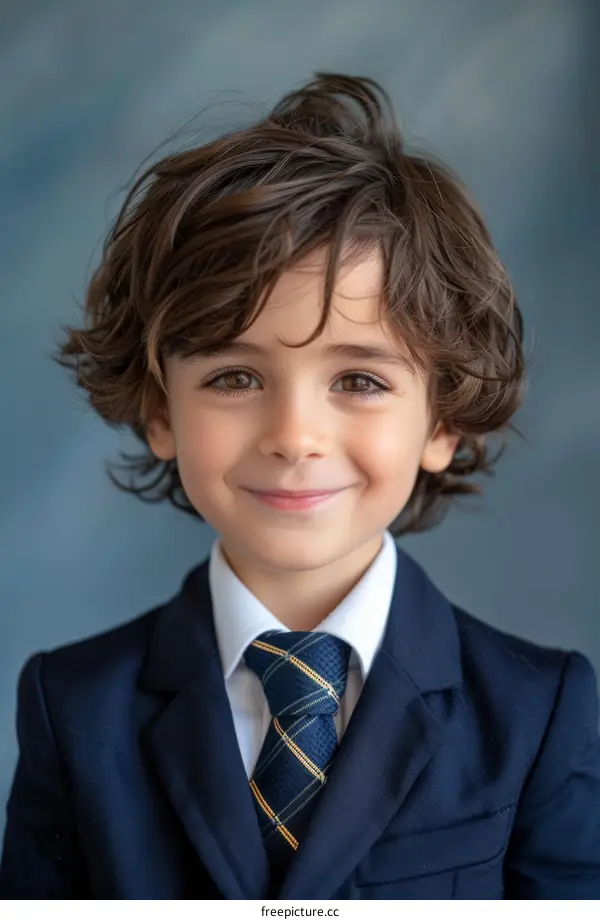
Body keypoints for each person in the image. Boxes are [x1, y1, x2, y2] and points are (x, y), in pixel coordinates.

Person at [1, 72, 598, 900]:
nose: (292, 437)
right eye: (236, 378)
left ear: (443, 422)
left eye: (358, 380)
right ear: (157, 408)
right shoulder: (72, 706)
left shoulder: (538, 710)